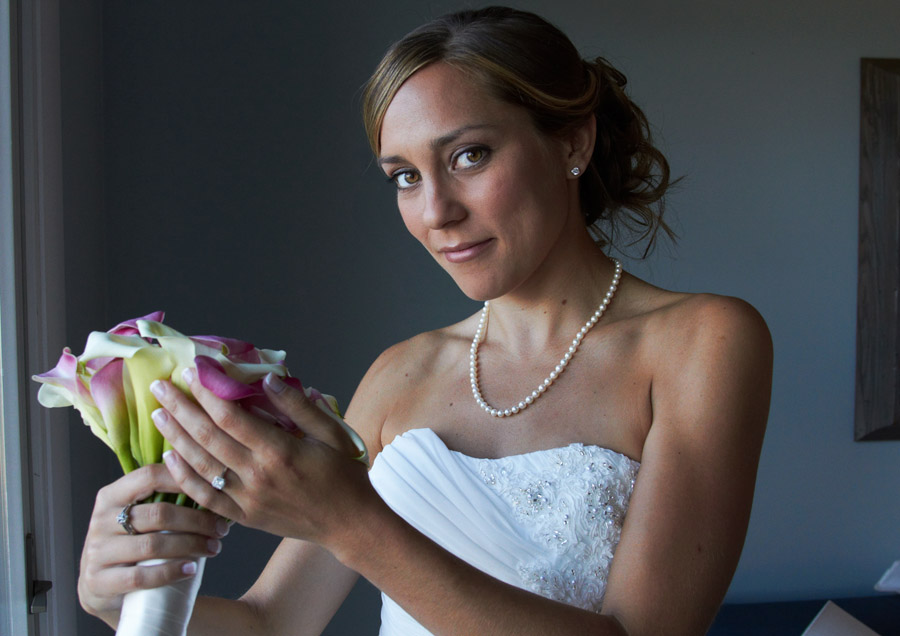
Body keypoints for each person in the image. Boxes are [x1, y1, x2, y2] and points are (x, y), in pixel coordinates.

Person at [77, 7, 772, 635]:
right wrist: (119, 597)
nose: (436, 211)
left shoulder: (704, 342)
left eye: (468, 155)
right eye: (404, 176)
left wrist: (352, 521)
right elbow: (271, 622)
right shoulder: (401, 373)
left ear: (572, 143)